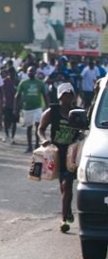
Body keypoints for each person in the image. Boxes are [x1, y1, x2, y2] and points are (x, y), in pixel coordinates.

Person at [39, 84, 83, 233]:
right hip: (56, 152)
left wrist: (80, 137)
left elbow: (84, 129)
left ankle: (63, 219)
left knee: (68, 184)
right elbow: (41, 128)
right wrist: (43, 139)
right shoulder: (52, 112)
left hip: (71, 153)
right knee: (63, 185)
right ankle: (68, 210)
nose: (68, 98)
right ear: (59, 96)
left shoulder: (77, 113)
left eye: (70, 95)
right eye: (65, 95)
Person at [17, 65, 47, 152]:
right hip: (27, 108)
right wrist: (16, 108)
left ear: (35, 73)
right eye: (29, 71)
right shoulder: (23, 83)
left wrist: (48, 106)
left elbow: (45, 95)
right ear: (27, 73)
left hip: (37, 107)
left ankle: (37, 145)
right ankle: (29, 146)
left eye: (32, 71)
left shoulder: (40, 83)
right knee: (29, 127)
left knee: (38, 125)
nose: (31, 73)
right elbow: (17, 96)